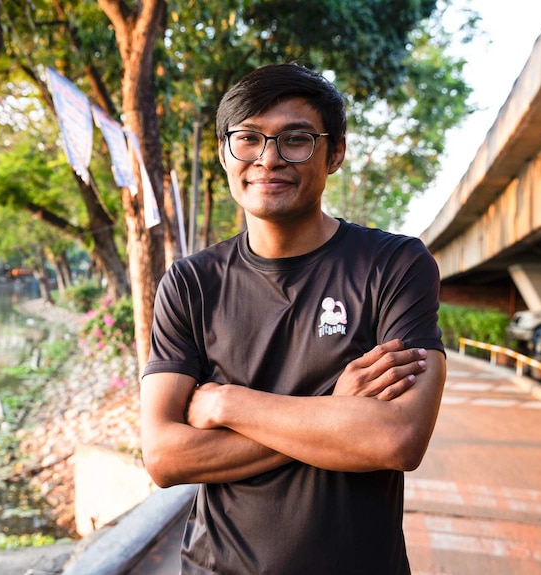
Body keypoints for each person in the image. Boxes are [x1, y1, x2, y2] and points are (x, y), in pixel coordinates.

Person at [140, 62, 447, 574]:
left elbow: (397, 438)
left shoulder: (394, 264)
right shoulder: (191, 283)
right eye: (249, 139)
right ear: (225, 153)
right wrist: (334, 410)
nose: (269, 159)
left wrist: (227, 403)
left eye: (296, 140)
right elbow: (166, 457)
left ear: (336, 153)